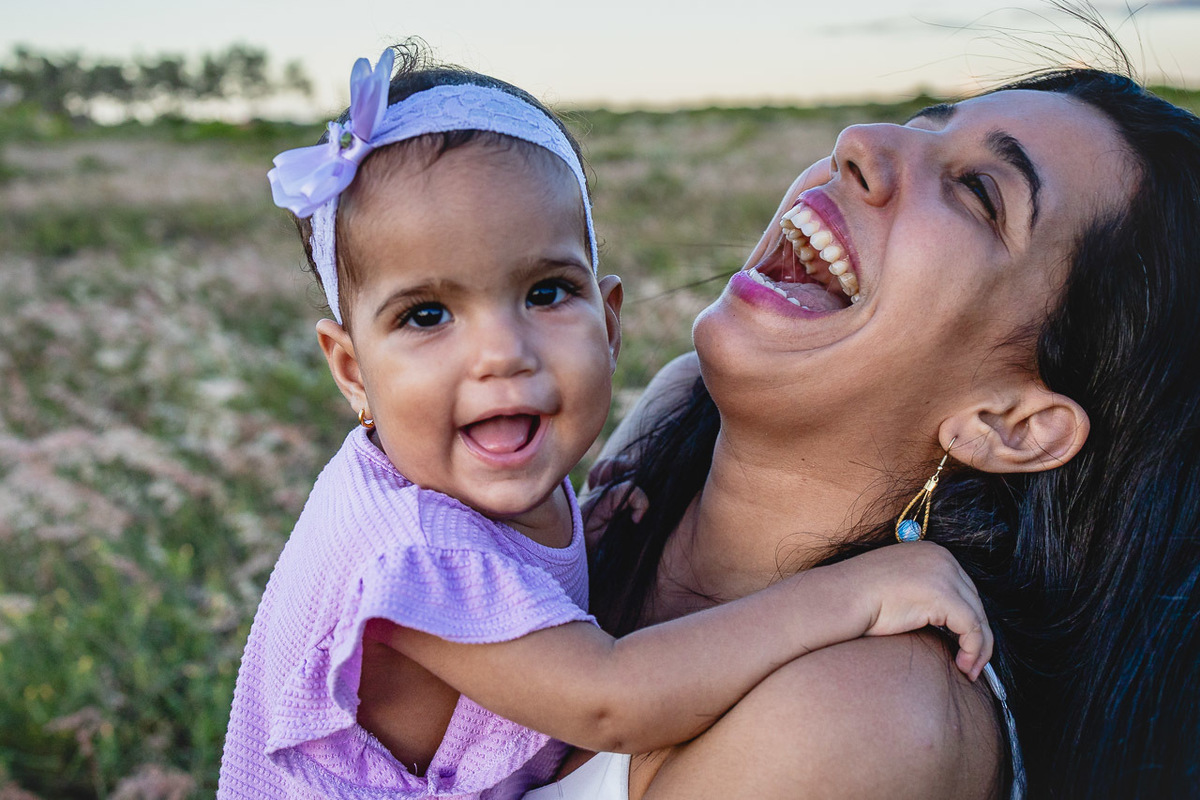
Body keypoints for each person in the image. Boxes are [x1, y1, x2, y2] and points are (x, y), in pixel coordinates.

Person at [216, 45, 996, 800]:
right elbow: (612, 699)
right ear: (353, 371)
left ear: (609, 320)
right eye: (427, 315)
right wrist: (856, 594)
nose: (501, 352)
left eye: (546, 292)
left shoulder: (496, 490)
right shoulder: (411, 555)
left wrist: (580, 540)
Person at [529, 62, 1200, 799]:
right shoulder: (670, 417)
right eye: (923, 126)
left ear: (1010, 425)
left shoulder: (869, 718)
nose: (858, 143)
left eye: (980, 193)